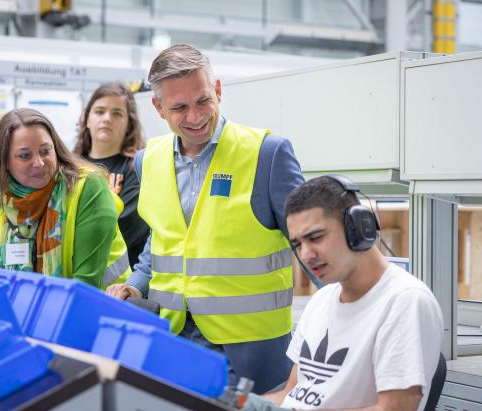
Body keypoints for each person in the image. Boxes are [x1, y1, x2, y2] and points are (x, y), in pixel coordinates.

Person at [106, 44, 305, 393]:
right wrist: (135, 284)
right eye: (179, 107)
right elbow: (163, 240)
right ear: (158, 107)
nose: (195, 117)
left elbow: (313, 244)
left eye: (202, 101)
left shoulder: (266, 154)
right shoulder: (146, 160)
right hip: (174, 341)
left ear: (217, 90)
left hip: (251, 348)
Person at [243, 175, 443, 411]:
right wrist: (236, 403)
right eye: (297, 244)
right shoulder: (321, 300)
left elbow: (394, 409)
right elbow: (290, 394)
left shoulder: (406, 300)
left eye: (315, 237)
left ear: (357, 228)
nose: (305, 255)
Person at [0, 107, 126, 288]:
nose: (39, 163)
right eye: (25, 156)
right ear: (4, 161)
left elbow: (86, 284)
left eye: (45, 151)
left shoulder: (87, 188)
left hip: (100, 309)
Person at [73, 82, 150, 269]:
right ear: (86, 119)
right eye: (99, 111)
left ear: (129, 123)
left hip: (123, 280)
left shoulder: (138, 167)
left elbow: (125, 226)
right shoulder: (69, 167)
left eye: (117, 113)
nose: (107, 119)